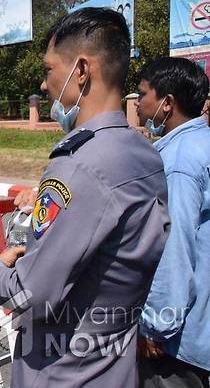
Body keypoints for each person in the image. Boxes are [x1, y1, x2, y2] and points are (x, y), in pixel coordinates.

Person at [0, 8, 170, 388]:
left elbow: (32, 296)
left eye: (50, 70)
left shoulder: (78, 167)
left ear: (81, 71)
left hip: (62, 373)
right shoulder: (145, 155)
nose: (43, 84)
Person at [134, 57, 210, 388]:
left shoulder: (177, 161)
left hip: (177, 342)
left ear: (167, 103)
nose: (137, 104)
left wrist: (155, 325)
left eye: (142, 94)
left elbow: (174, 248)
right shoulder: (202, 144)